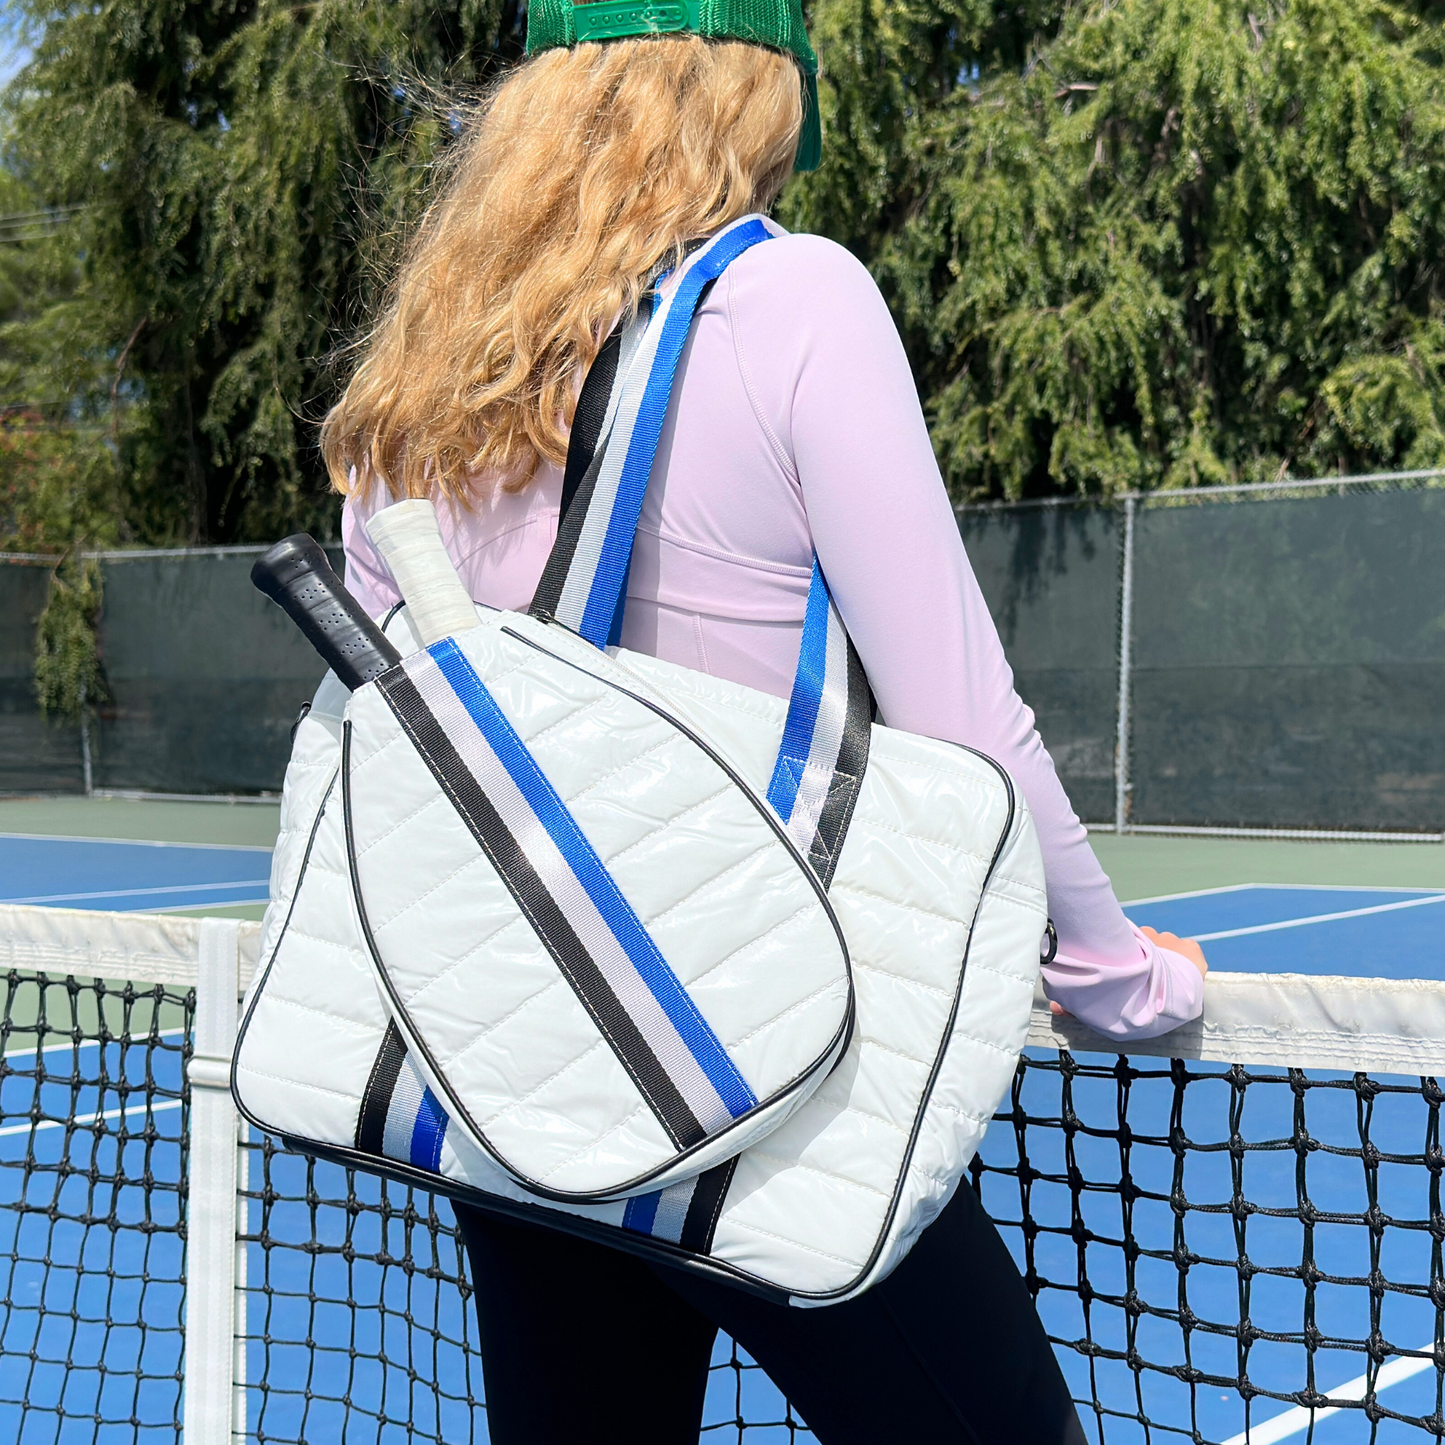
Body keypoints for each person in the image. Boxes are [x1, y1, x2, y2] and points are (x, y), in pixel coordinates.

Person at [323, 4, 1210, 1441]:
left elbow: (408, 720)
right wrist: (1116, 976)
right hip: (773, 1064)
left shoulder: (422, 376)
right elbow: (963, 719)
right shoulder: (796, 302)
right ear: (747, 81)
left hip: (522, 1069)